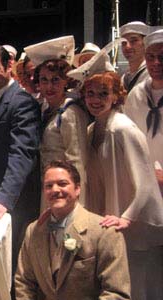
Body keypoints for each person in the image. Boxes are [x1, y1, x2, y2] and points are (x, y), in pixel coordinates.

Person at [84, 71, 163, 300]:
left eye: (103, 93)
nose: (95, 100)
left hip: (136, 225)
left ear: (116, 96)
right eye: (90, 93)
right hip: (112, 221)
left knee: (140, 287)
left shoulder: (123, 129)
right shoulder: (92, 130)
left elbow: (146, 183)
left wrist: (127, 217)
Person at [15, 160, 131, 300]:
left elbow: (116, 293)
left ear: (77, 189)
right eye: (49, 186)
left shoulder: (105, 232)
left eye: (62, 184)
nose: (55, 190)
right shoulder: (33, 231)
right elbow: (24, 282)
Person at [0, 44, 41, 279]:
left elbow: (22, 154)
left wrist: (3, 199)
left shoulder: (22, 102)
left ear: (9, 65)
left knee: (13, 268)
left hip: (11, 202)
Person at [26, 36, 89, 210]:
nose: (49, 86)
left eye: (56, 80)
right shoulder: (46, 108)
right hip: (49, 188)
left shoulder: (70, 113)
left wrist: (77, 207)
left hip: (65, 195)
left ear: (66, 81)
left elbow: (78, 163)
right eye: (44, 80)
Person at [125, 29, 163, 196]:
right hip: (143, 179)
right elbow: (129, 138)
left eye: (162, 57)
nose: (156, 63)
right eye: (150, 57)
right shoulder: (137, 95)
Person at [120, 21, 150, 92]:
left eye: (133, 41)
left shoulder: (152, 74)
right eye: (124, 43)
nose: (127, 47)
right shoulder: (124, 77)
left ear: (145, 43)